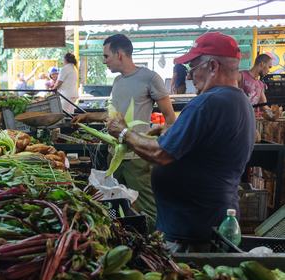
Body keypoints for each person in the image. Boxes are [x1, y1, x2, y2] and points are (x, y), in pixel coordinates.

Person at [105, 32, 255, 252]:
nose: (189, 77)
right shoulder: (239, 100)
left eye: (192, 68)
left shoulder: (208, 103)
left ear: (213, 66)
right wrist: (172, 131)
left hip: (191, 231)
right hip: (207, 219)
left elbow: (160, 154)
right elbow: (206, 144)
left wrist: (123, 132)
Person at [72, 34, 176, 227]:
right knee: (117, 202)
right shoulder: (118, 82)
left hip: (137, 158)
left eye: (106, 56)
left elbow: (170, 119)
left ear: (119, 54)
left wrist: (160, 152)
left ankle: (159, 243)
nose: (104, 61)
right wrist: (87, 117)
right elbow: (114, 116)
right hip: (115, 155)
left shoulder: (150, 78)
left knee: (147, 206)